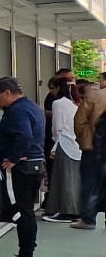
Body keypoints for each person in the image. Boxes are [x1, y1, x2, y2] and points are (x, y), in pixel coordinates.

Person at [0, 77, 48, 257]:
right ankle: (26, 255)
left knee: (21, 211)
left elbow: (24, 135)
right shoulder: (32, 107)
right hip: (35, 164)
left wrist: (13, 158)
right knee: (26, 211)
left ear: (7, 93)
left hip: (22, 167)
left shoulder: (16, 111)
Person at [44, 80, 85, 219]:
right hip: (76, 144)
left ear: (57, 88)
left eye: (52, 88)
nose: (51, 91)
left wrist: (54, 146)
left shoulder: (58, 103)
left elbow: (57, 128)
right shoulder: (74, 104)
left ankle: (66, 211)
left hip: (64, 143)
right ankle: (75, 210)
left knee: (63, 178)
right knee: (74, 179)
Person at [69, 79, 103, 229]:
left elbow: (79, 120)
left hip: (94, 146)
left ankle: (88, 219)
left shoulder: (94, 96)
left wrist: (83, 138)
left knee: (90, 182)